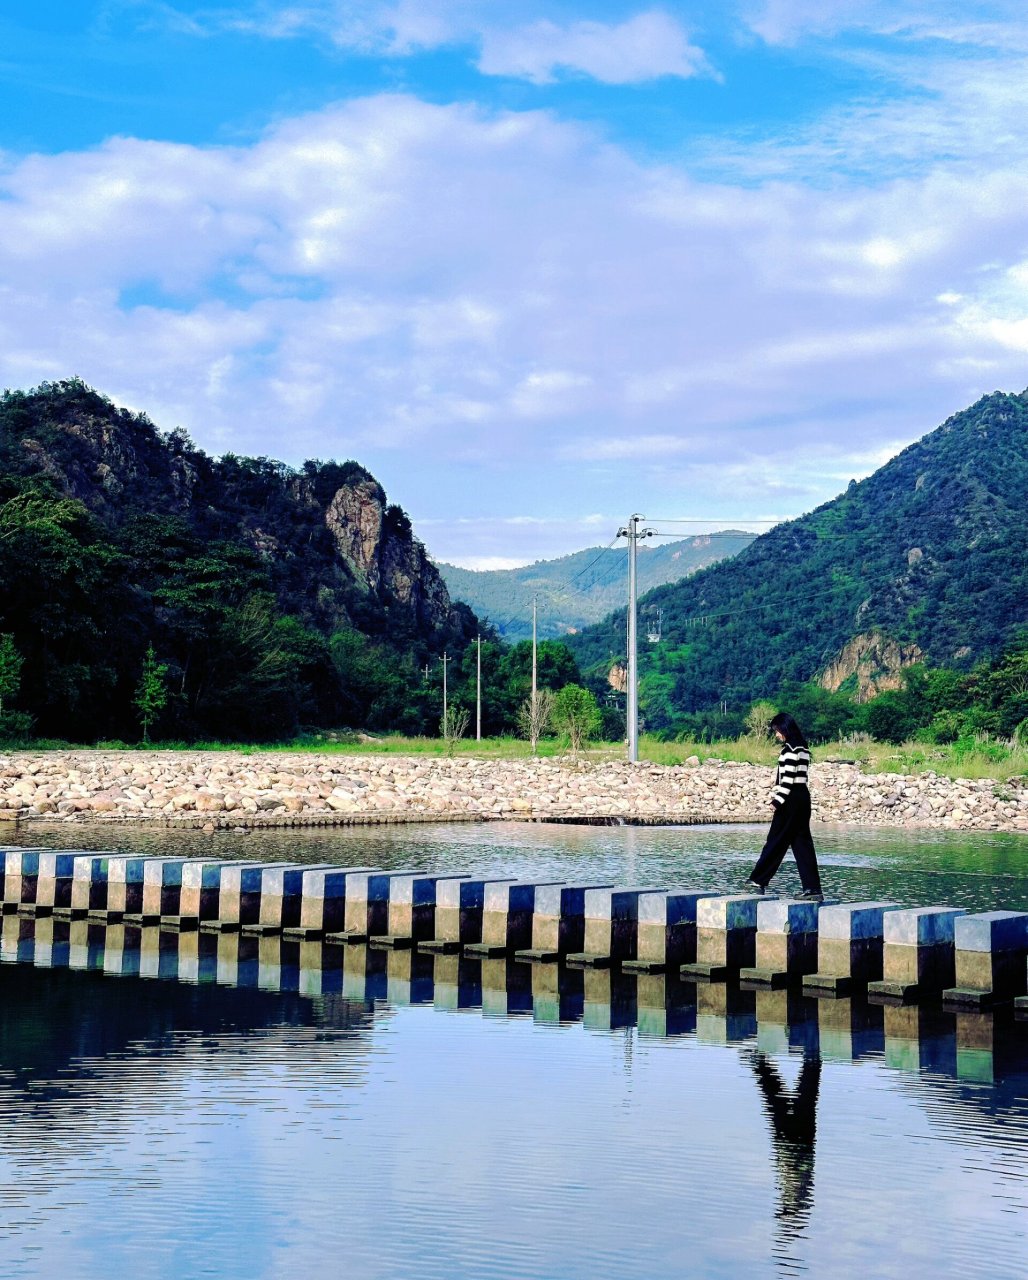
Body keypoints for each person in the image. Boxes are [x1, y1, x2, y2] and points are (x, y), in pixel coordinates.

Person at [746, 711, 824, 901]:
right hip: (803, 798)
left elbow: (787, 780)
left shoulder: (789, 750)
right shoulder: (804, 748)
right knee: (802, 845)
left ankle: (758, 880)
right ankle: (813, 889)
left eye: (777, 731)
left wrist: (776, 801)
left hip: (790, 800)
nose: (776, 735)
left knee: (775, 841)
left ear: (784, 729)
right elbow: (800, 778)